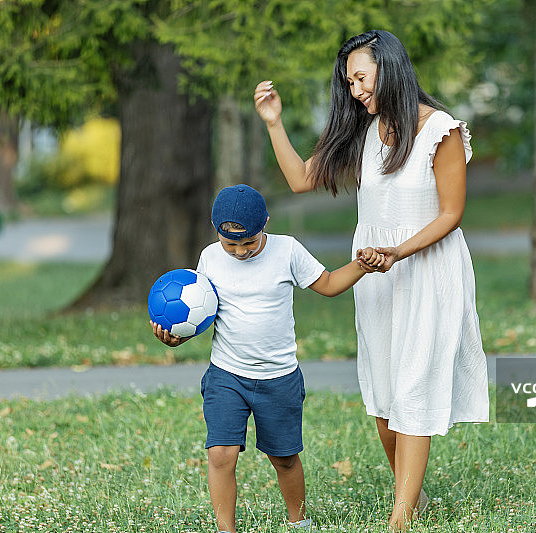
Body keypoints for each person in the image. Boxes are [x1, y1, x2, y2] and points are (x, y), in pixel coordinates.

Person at [253, 30, 489, 531]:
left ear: (390, 67)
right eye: (350, 82)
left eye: (362, 78)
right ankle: (414, 497)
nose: (356, 90)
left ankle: (400, 518)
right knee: (384, 402)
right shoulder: (364, 131)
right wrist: (274, 124)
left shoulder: (440, 130)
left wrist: (397, 252)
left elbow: (451, 214)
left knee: (413, 390)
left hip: (426, 268)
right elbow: (300, 179)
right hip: (376, 276)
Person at [151, 184, 382, 533]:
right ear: (217, 233)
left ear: (266, 225)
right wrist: (173, 341)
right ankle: (225, 529)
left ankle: (299, 522)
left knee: (285, 458)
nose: (241, 251)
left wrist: (362, 267)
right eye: (232, 244)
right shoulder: (210, 258)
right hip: (226, 375)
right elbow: (198, 315)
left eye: (249, 242)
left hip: (279, 377)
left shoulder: (287, 250)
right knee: (220, 454)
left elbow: (330, 284)